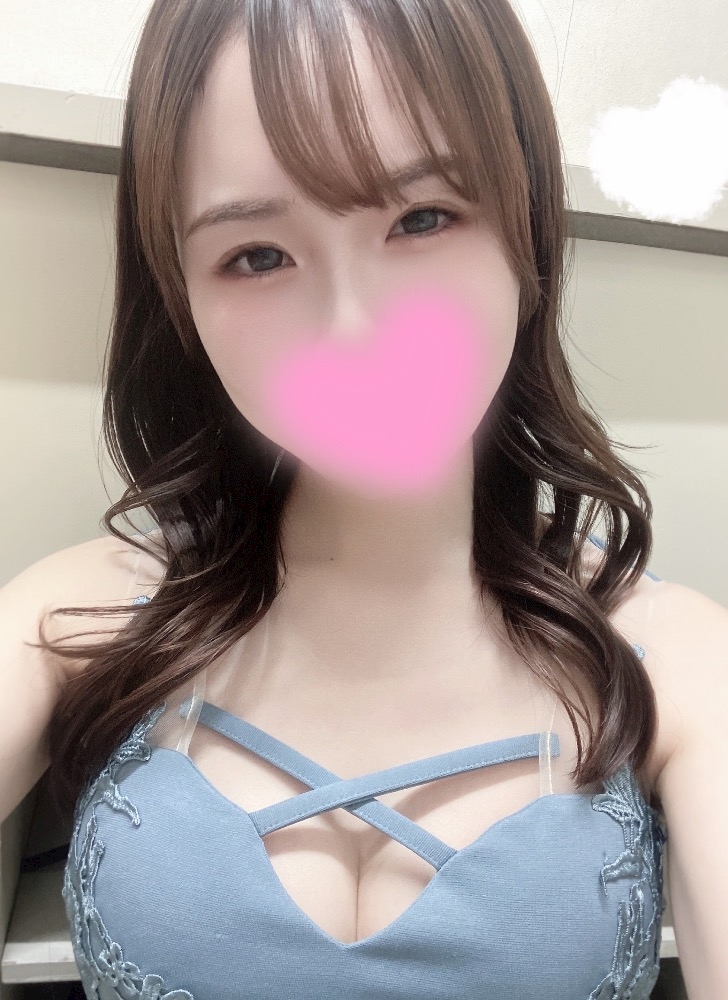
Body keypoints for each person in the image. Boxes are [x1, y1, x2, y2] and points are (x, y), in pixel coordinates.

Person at [1, 1, 726, 997]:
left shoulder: (676, 659)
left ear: (525, 221)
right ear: (181, 295)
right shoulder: (71, 617)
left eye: (421, 218)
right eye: (256, 256)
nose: (353, 330)